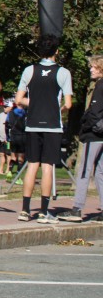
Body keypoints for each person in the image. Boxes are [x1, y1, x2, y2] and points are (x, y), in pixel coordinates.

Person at [15, 35, 73, 224]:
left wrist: (34, 103)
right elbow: (68, 104)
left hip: (33, 124)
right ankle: (43, 212)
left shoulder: (29, 70)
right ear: (57, 51)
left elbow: (18, 100)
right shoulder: (64, 73)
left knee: (32, 165)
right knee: (48, 167)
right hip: (53, 126)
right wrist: (57, 108)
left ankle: (25, 210)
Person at [58, 55, 103, 222]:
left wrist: (85, 125)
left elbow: (94, 112)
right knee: (100, 171)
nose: (91, 69)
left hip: (94, 135)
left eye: (94, 67)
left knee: (84, 170)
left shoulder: (100, 86)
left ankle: (77, 209)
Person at [7, 104, 27, 172]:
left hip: (13, 136)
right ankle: (19, 172)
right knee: (21, 157)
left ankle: (9, 171)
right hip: (22, 136)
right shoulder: (25, 113)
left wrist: (7, 137)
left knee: (13, 156)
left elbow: (6, 125)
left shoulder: (10, 113)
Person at [0, 104, 11, 175]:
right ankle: (0, 169)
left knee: (8, 154)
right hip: (0, 139)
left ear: (10, 107)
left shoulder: (11, 115)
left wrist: (8, 137)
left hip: (8, 140)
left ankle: (8, 169)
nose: (4, 108)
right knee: (1, 153)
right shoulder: (1, 115)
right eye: (4, 107)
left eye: (6, 107)